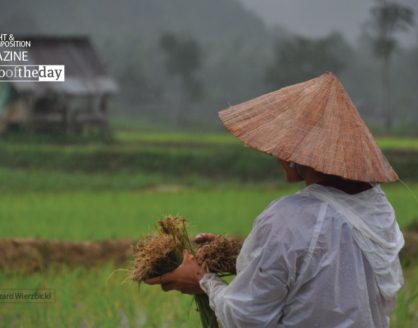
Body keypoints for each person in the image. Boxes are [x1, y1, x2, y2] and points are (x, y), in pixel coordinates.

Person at [145, 72, 404, 327]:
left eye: (281, 146)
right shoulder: (377, 211)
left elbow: (245, 319)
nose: (276, 154)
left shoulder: (288, 219)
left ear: (299, 154)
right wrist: (243, 255)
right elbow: (325, 269)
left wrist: (203, 280)